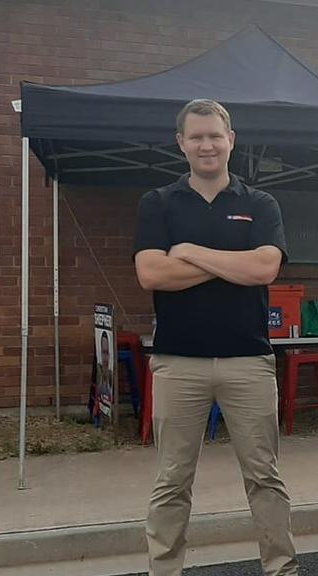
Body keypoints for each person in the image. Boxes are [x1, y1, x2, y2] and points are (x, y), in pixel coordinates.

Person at [133, 99, 298, 576]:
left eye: (215, 135)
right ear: (182, 143)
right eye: (196, 136)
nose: (207, 144)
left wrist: (188, 253)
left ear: (231, 141)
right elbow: (150, 273)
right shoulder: (159, 202)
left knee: (264, 477)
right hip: (177, 361)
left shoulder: (260, 203)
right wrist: (230, 263)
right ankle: (164, 570)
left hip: (247, 359)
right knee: (172, 481)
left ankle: (281, 569)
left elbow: (266, 267)